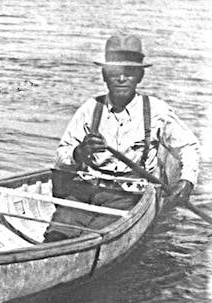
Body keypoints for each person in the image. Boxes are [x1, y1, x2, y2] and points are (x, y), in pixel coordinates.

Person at [43, 34, 200, 242]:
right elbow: (62, 154)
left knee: (95, 237)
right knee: (56, 234)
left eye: (130, 72)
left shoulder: (156, 110)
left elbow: (188, 147)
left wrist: (187, 181)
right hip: (84, 191)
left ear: (140, 76)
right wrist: (79, 152)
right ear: (104, 75)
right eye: (114, 72)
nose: (122, 78)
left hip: (129, 196)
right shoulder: (90, 108)